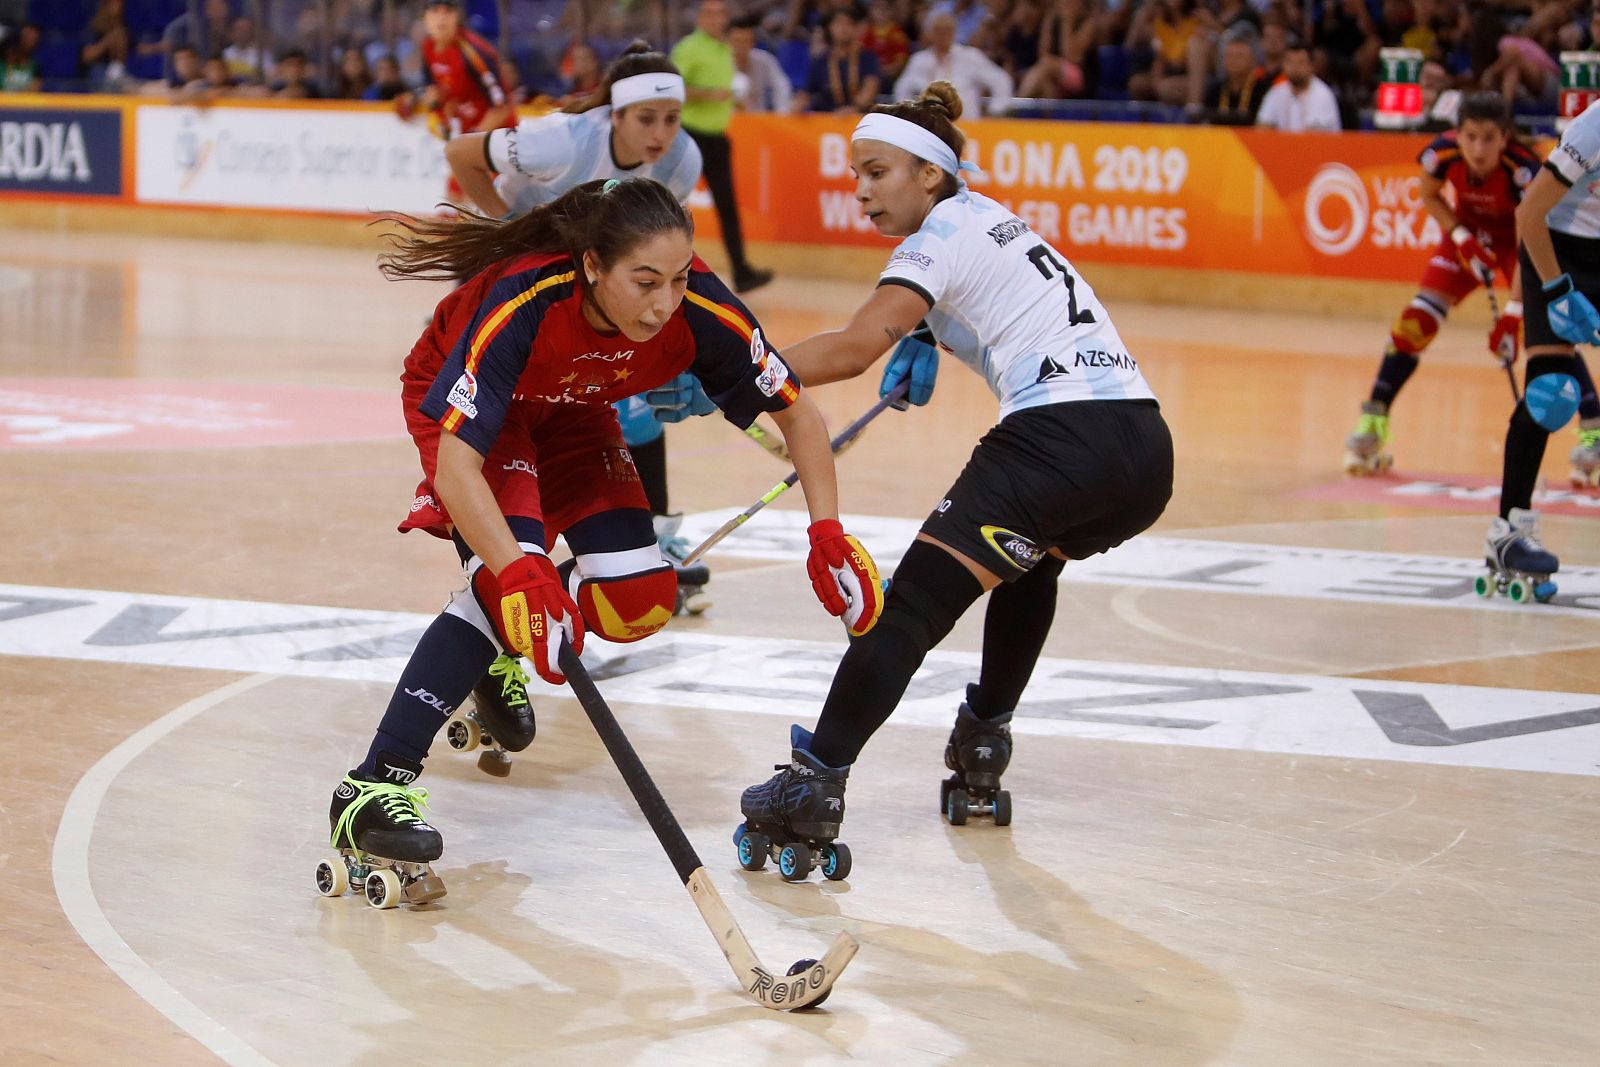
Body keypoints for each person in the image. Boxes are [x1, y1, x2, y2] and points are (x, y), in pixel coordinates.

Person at [320, 178, 883, 903]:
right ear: (592, 266)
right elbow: (460, 467)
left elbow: (800, 416)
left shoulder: (701, 310)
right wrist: (519, 571)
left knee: (642, 601)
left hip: (576, 412)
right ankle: (372, 786)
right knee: (505, 589)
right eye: (644, 282)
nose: (664, 303)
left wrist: (827, 528)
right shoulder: (524, 302)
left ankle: (498, 645)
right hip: (476, 416)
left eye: (679, 280)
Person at [732, 83, 1172, 880]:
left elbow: (856, 346)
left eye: (876, 171)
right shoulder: (988, 215)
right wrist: (934, 335)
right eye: (854, 174)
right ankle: (982, 739)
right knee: (1030, 560)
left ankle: (814, 781)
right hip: (1142, 447)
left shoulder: (939, 231)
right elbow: (985, 307)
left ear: (929, 175)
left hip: (1058, 440)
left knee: (912, 608)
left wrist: (733, 375)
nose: (860, 190)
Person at [446, 44, 708, 617]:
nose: (661, 133)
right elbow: (462, 151)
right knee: (512, 407)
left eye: (671, 118)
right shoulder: (561, 141)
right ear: (614, 116)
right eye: (646, 119)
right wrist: (509, 232)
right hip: (531, 274)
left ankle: (657, 532)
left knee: (635, 380)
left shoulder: (683, 159)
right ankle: (496, 557)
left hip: (599, 279)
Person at [1344, 91, 1544, 474]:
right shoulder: (1441, 155)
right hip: (1465, 236)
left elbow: (1528, 247)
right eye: (1470, 136)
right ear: (1458, 133)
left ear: (1506, 136)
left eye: (1489, 138)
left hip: (1517, 242)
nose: (1478, 148)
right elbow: (1430, 195)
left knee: (1546, 336)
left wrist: (1513, 315)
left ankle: (1593, 434)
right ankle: (1374, 417)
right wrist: (1460, 237)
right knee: (1414, 323)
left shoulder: (1524, 170)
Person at [1481, 98, 1600, 598]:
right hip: (1557, 247)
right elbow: (1529, 211)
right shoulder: (1595, 125)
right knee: (1551, 392)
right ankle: (1508, 531)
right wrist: (1556, 290)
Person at [671, 0, 774, 293]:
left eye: (721, 15)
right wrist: (708, 95)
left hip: (717, 137)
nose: (719, 20)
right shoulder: (689, 48)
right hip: (689, 136)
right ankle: (670, 265)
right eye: (712, 14)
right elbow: (673, 87)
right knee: (674, 204)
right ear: (701, 18)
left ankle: (742, 271)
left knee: (728, 207)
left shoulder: (723, 50)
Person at [399, 0, 513, 151]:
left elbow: (502, 108)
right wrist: (417, 99)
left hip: (497, 140)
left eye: (448, 11)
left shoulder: (474, 52)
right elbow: (435, 90)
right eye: (435, 11)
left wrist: (472, 140)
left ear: (457, 16)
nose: (442, 18)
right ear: (424, 18)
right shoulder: (427, 48)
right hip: (466, 133)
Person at [895, 9, 1014, 117]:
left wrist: (995, 111)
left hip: (968, 127)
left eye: (947, 30)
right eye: (938, 30)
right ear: (930, 33)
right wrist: (909, 116)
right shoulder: (919, 60)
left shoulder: (970, 56)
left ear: (954, 31)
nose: (942, 34)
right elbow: (902, 88)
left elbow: (1001, 80)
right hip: (931, 128)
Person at [794, 2, 882, 114]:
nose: (843, 29)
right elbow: (805, 93)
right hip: (829, 120)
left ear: (856, 28)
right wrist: (798, 103)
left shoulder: (868, 58)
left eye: (848, 24)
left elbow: (869, 90)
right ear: (830, 28)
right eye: (839, 24)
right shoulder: (820, 61)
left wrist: (854, 108)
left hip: (860, 118)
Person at [1255, 42, 1340, 132]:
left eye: (1301, 62)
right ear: (1283, 65)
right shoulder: (1277, 91)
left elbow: (1314, 136)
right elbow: (1261, 128)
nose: (1295, 67)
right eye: (1290, 62)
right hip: (1284, 145)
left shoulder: (1322, 94)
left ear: (1311, 66)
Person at [730, 13, 793, 113]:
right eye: (737, 41)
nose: (741, 46)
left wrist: (782, 112)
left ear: (753, 42)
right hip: (730, 120)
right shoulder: (720, 65)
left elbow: (781, 85)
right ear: (728, 42)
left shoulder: (765, 60)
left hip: (759, 120)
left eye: (746, 41)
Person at [1202, 35, 1268, 125]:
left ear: (1252, 60)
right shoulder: (1215, 90)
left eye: (1239, 56)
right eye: (1229, 56)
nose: (1234, 60)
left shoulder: (1263, 90)